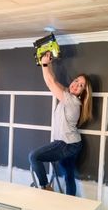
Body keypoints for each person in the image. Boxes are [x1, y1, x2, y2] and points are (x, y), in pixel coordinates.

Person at [28, 52, 93, 195]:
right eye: (76, 81)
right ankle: (70, 205)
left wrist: (44, 64)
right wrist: (48, 64)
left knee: (34, 156)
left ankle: (45, 188)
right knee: (69, 174)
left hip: (66, 144)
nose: (76, 85)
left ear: (82, 92)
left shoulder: (71, 101)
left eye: (81, 85)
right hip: (74, 144)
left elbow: (50, 83)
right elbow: (54, 80)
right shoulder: (68, 94)